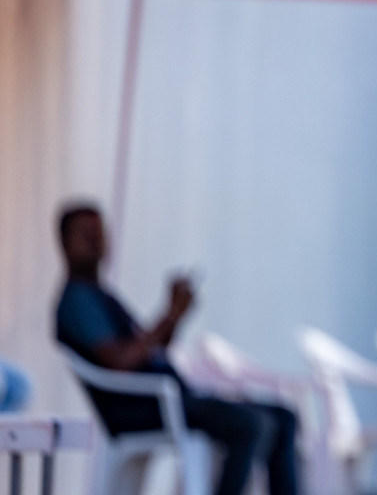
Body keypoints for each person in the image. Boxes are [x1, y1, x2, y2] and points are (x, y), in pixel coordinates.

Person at [53, 204, 300, 495]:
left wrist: (175, 315)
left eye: (100, 233)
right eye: (86, 234)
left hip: (168, 397)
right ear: (65, 243)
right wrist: (169, 315)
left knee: (283, 417)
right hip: (143, 407)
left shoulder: (99, 294)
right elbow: (120, 361)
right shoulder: (77, 301)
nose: (96, 241)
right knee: (250, 425)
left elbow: (148, 349)